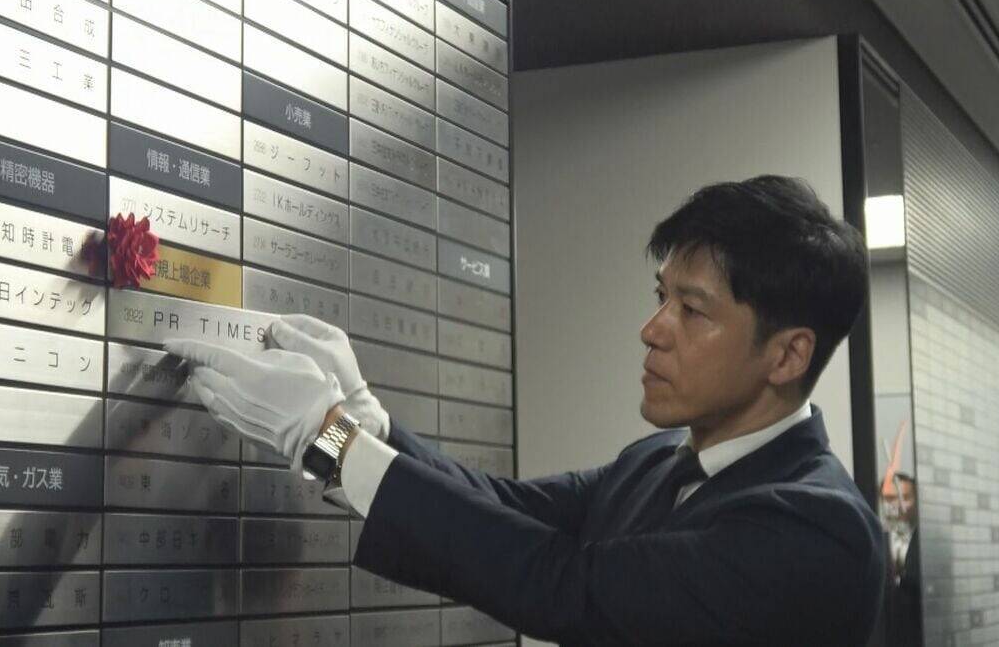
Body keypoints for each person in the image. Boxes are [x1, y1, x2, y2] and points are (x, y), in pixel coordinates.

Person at [165, 175, 886, 646]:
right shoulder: (655, 464)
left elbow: (566, 585)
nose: (652, 329)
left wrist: (330, 442)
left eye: (692, 310)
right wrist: (367, 422)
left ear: (787, 355)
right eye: (660, 297)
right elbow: (503, 509)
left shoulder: (815, 528)